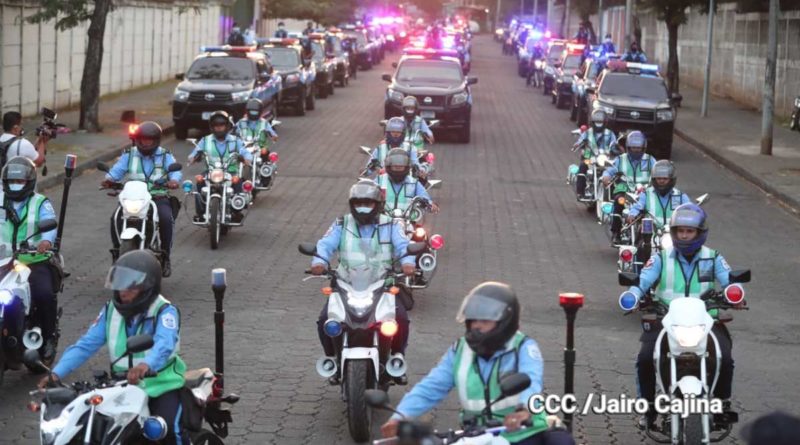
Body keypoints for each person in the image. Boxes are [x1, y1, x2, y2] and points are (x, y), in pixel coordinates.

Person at [380, 282, 575, 445]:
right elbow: (431, 386)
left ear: (505, 321)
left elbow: (531, 380)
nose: (476, 326)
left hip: (522, 434)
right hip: (477, 436)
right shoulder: (460, 349)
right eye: (473, 320)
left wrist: (524, 410)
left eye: (485, 320)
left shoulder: (523, 347)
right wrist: (400, 415)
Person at [39, 250, 189, 445]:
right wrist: (56, 374)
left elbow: (165, 343)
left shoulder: (165, 311)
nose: (122, 291)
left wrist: (146, 365)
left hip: (161, 385)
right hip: (122, 385)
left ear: (148, 287)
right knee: (99, 429)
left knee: (166, 430)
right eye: (120, 284)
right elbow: (85, 345)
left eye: (130, 286)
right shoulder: (111, 310)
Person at [619, 204, 741, 430]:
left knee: (724, 356)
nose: (684, 236)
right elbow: (643, 280)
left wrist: (735, 292)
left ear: (700, 233)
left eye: (690, 231)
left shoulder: (713, 257)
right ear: (673, 233)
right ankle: (648, 408)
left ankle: (722, 404)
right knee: (646, 358)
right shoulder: (660, 258)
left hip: (706, 321)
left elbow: (729, 279)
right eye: (680, 231)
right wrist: (633, 295)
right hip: (665, 320)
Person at [310, 179, 416, 383]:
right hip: (346, 284)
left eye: (368, 203)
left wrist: (408, 262)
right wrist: (319, 261)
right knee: (326, 320)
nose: (363, 207)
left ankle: (397, 358)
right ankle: (332, 358)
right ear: (351, 204)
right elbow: (325, 244)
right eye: (358, 203)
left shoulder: (392, 224)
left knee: (400, 319)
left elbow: (404, 246)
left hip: (383, 284)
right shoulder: (342, 223)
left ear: (378, 204)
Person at [102, 122, 181, 277]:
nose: (145, 143)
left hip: (157, 197)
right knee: (115, 218)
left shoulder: (165, 155)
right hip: (133, 198)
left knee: (166, 218)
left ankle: (165, 257)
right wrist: (109, 180)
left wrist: (174, 181)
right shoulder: (129, 154)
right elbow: (116, 172)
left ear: (156, 140)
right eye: (142, 139)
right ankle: (117, 252)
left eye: (149, 140)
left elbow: (175, 172)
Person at [0, 157, 59, 363]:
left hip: (32, 261)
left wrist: (45, 242)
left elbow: (49, 228)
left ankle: (49, 336)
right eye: (12, 182)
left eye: (20, 182)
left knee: (43, 294)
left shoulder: (41, 202)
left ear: (30, 182)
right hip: (3, 261)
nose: (15, 185)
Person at [188, 111, 252, 222]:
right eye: (216, 126)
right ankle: (201, 212)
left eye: (221, 125)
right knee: (199, 182)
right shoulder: (205, 140)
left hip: (230, 172)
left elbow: (245, 151)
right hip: (211, 172)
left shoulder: (235, 140)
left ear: (227, 126)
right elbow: (195, 152)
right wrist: (194, 158)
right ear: (212, 127)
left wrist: (246, 158)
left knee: (237, 182)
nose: (219, 128)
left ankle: (236, 209)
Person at [602, 130, 655, 244]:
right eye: (633, 147)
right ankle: (616, 233)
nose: (636, 150)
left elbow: (658, 171)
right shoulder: (621, 159)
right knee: (619, 201)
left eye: (638, 148)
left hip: (644, 191)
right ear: (628, 147)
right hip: (625, 189)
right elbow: (610, 170)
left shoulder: (650, 160)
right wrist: (606, 176)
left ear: (643, 147)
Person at [626, 160, 690, 227]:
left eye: (665, 179)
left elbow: (690, 209)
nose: (661, 181)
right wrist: (632, 215)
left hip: (673, 233)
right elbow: (637, 207)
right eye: (659, 178)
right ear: (654, 179)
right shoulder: (646, 194)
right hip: (651, 234)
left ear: (671, 179)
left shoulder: (680, 196)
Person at [377, 148, 439, 215]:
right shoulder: (379, 180)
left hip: (407, 221)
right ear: (388, 165)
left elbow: (424, 196)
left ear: (406, 165)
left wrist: (430, 204)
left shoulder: (413, 183)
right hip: (382, 222)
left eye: (401, 165)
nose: (398, 166)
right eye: (395, 165)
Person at [574, 110, 618, 199]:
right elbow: (580, 140)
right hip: (590, 158)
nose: (599, 124)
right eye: (597, 122)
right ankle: (580, 191)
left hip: (605, 159)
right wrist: (578, 144)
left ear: (605, 122)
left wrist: (617, 149)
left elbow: (614, 145)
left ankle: (613, 194)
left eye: (600, 122)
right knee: (582, 166)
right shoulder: (588, 132)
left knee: (615, 171)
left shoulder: (610, 133)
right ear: (592, 122)